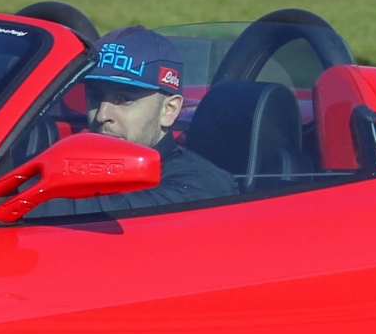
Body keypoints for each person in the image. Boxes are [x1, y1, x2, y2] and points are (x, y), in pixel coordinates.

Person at [27, 27, 237, 218]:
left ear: (169, 110)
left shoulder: (200, 186)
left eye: (124, 99)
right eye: (94, 96)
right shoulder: (74, 164)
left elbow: (103, 214)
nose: (101, 115)